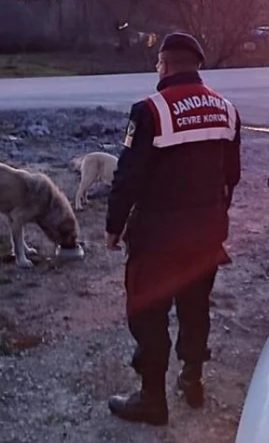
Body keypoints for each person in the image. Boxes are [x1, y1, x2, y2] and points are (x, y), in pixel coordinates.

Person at [104, 32, 242, 426]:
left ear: (164, 65)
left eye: (157, 65)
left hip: (157, 236)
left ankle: (151, 399)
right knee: (195, 307)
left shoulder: (150, 110)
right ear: (196, 66)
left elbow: (128, 175)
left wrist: (114, 225)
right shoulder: (227, 110)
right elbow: (232, 174)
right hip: (206, 234)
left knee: (148, 312)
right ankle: (192, 379)